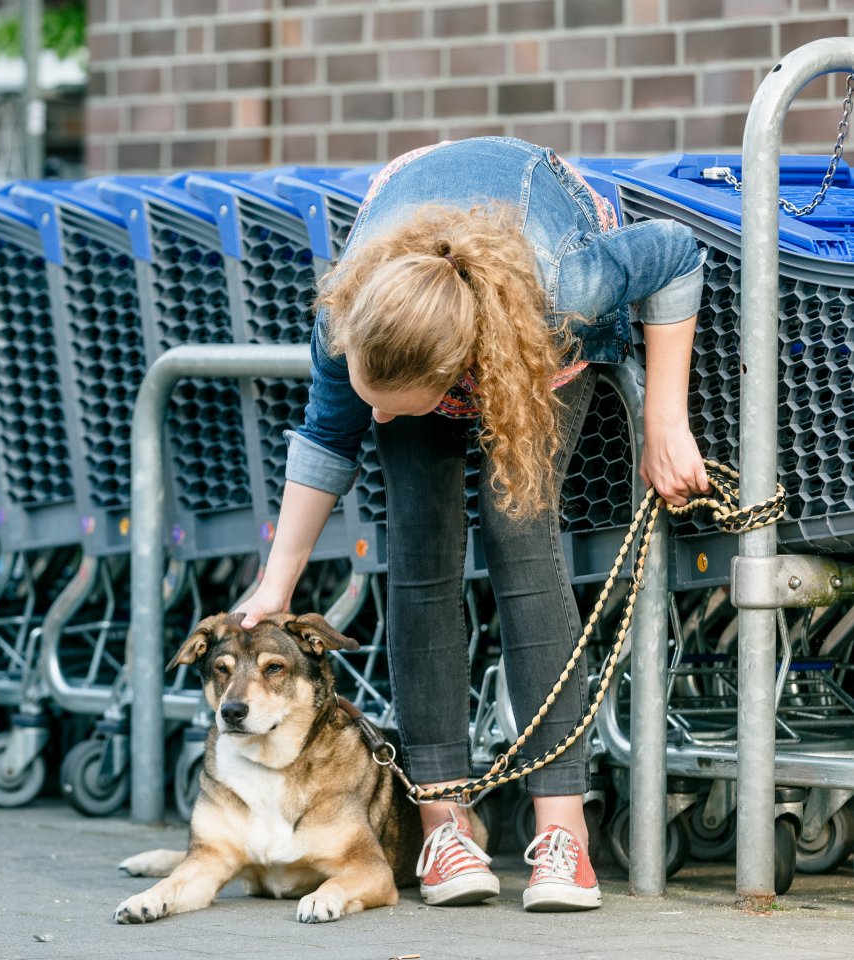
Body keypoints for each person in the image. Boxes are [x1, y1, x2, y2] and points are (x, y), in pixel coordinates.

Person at [239, 137, 709, 912]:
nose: (377, 416)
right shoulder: (353, 315)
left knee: (520, 538)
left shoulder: (568, 292)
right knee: (419, 549)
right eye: (369, 394)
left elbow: (676, 253)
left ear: (455, 378)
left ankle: (565, 836)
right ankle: (444, 827)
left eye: (391, 403)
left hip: (527, 312)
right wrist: (275, 583)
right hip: (414, 270)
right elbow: (329, 437)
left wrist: (665, 418)